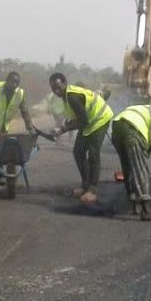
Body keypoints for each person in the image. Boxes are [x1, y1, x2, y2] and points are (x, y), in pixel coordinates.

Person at [49, 73, 114, 203]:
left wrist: (62, 129)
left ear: (64, 83)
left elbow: (83, 121)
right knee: (78, 152)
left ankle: (92, 190)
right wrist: (63, 127)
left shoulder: (72, 96)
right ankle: (85, 187)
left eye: (58, 87)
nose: (56, 91)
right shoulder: (65, 96)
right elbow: (76, 116)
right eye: (53, 88)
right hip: (89, 121)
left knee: (93, 153)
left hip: (100, 118)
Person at [111, 104, 151, 221]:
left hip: (117, 127)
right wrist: (147, 151)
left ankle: (133, 204)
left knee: (127, 166)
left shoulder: (141, 107)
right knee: (140, 168)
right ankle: (146, 210)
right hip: (132, 130)